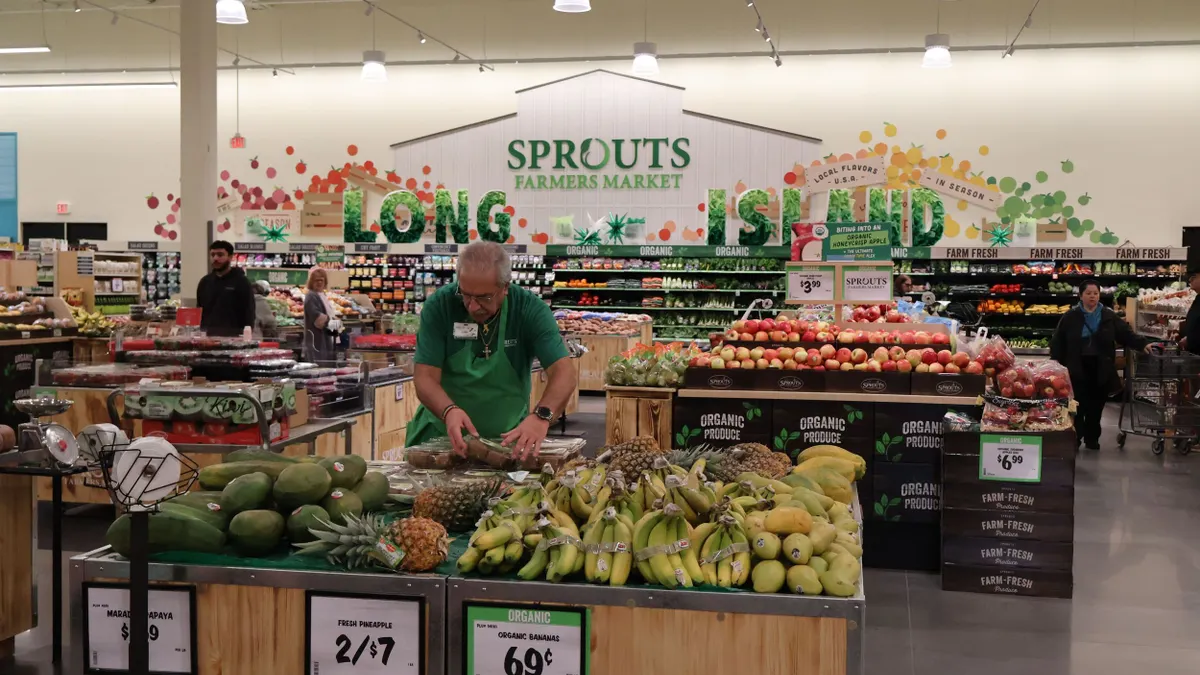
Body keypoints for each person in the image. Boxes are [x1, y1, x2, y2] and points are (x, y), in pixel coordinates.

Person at [407, 241, 577, 460]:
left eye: (484, 297)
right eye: (466, 294)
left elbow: (564, 373)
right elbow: (425, 377)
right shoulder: (440, 306)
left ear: (505, 287)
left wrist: (541, 416)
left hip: (506, 443)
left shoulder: (529, 310)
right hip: (441, 439)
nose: (473, 306)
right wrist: (448, 410)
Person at [1051, 279, 1150, 449]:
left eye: (1095, 293)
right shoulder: (1070, 316)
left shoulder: (1108, 315)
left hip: (1101, 367)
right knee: (1077, 405)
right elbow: (1058, 341)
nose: (1092, 297)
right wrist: (1055, 364)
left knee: (1096, 406)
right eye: (1088, 293)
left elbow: (1125, 334)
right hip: (1077, 367)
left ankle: (1092, 438)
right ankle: (1075, 437)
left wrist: (1142, 344)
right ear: (1081, 296)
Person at [196, 240, 254, 337]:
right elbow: (200, 310)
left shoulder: (241, 282)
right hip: (207, 338)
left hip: (234, 338)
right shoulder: (205, 282)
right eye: (212, 255)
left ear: (230, 257)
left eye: (220, 255)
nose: (215, 258)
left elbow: (249, 312)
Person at [303, 267, 342, 362]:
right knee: (319, 368)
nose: (319, 283)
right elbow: (318, 319)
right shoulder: (311, 296)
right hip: (317, 340)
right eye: (316, 280)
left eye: (321, 280)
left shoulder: (321, 295)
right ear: (311, 282)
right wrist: (336, 324)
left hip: (326, 338)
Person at [1178, 269, 1200, 354]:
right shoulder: (1198, 298)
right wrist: (1181, 334)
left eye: (1194, 277)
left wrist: (1189, 340)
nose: (1190, 280)